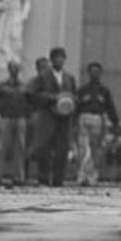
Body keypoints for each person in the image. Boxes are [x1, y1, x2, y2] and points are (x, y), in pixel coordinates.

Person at [30, 47, 78, 187]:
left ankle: (59, 179)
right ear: (52, 60)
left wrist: (69, 99)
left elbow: (75, 95)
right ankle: (43, 178)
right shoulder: (43, 76)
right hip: (47, 116)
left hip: (65, 118)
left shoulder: (69, 78)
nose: (60, 60)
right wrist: (53, 98)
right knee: (44, 148)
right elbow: (33, 94)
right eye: (57, 57)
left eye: (62, 58)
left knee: (62, 149)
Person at [74, 62, 120, 186]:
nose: (95, 74)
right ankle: (82, 176)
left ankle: (91, 177)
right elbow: (76, 107)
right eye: (92, 71)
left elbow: (110, 107)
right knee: (83, 148)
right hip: (84, 118)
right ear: (89, 73)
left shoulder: (104, 91)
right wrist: (73, 123)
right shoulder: (82, 90)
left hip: (98, 119)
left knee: (96, 149)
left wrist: (115, 122)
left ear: (100, 73)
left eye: (97, 72)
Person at [0, 60, 31, 185]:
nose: (15, 71)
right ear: (9, 69)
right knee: (1, 147)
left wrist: (26, 112)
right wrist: (0, 107)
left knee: (20, 148)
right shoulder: (1, 86)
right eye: (13, 68)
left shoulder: (24, 86)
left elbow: (30, 100)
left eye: (17, 68)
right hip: (5, 118)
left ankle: (19, 176)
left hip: (20, 118)